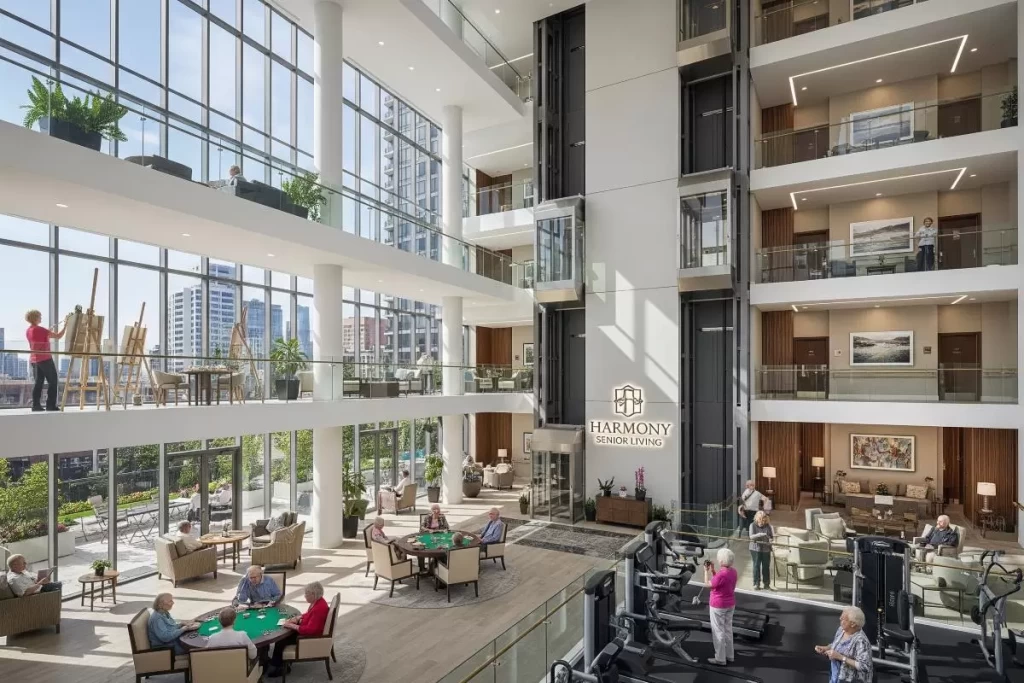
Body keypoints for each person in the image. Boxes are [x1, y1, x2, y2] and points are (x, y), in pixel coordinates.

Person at [267, 581, 329, 678]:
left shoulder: (319, 609)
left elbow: (309, 630)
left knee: (281, 641)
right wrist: (298, 618)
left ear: (313, 594)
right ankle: (279, 663)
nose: (304, 596)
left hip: (309, 638)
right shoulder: (318, 601)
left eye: (306, 594)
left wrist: (292, 626)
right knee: (284, 636)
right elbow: (309, 615)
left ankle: (279, 667)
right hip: (309, 632)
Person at [814, 606, 873, 682]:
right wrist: (826, 648)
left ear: (853, 624)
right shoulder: (841, 629)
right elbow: (837, 644)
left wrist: (841, 657)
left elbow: (865, 666)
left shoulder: (861, 641)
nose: (840, 619)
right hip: (836, 677)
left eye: (843, 618)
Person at [25, 309, 66, 412]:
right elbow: (59, 336)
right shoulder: (41, 330)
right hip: (45, 358)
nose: (41, 317)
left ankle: (36, 405)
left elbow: (38, 338)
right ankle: (50, 406)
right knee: (53, 381)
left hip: (34, 359)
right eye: (39, 316)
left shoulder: (29, 330)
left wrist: (47, 332)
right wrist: (66, 326)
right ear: (35, 318)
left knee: (38, 382)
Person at [705, 548, 737, 666]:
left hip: (718, 605)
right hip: (730, 604)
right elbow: (719, 582)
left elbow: (708, 584)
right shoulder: (733, 572)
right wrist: (713, 570)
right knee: (728, 629)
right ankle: (730, 655)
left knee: (718, 631)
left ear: (721, 560)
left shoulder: (721, 575)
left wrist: (706, 571)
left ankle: (720, 658)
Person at [748, 510, 775, 591]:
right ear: (756, 518)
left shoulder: (768, 526)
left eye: (763, 520)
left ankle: (766, 584)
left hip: (766, 549)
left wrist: (770, 540)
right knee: (756, 566)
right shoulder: (752, 525)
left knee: (766, 567)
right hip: (755, 548)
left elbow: (771, 537)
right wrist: (760, 534)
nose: (762, 521)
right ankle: (756, 583)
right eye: (760, 519)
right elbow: (751, 537)